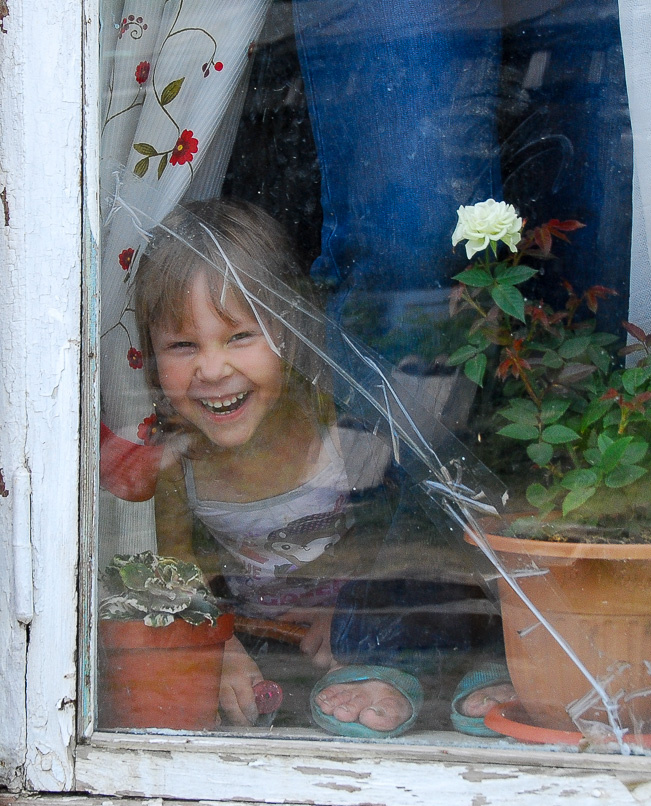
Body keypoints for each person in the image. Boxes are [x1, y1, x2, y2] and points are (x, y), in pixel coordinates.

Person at [132, 198, 517, 736]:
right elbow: (180, 575)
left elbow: (403, 541)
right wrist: (221, 645)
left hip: (378, 624)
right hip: (281, 643)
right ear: (149, 354)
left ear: (289, 329)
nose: (213, 369)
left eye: (240, 336)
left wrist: (356, 618)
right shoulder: (177, 461)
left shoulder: (332, 422)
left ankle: (467, 665)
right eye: (182, 345)